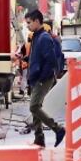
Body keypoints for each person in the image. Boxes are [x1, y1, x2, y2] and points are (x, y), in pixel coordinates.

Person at [25, 9, 66, 148]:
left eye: (29, 23)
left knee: (34, 107)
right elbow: (38, 57)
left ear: (37, 21)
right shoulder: (37, 36)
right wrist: (25, 58)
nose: (27, 26)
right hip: (36, 77)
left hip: (43, 78)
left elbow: (51, 61)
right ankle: (39, 139)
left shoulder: (44, 38)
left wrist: (42, 78)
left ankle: (58, 129)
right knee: (36, 108)